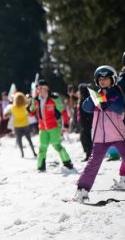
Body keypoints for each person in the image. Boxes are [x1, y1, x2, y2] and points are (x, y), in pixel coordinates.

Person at [74, 65, 125, 202]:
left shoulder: (116, 93)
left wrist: (107, 102)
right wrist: (95, 99)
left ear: (112, 80)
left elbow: (120, 108)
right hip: (100, 137)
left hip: (119, 135)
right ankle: (82, 190)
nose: (103, 81)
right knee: (93, 163)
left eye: (106, 79)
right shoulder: (96, 95)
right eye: (100, 79)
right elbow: (86, 107)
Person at [30, 79, 74, 172]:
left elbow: (63, 111)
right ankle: (41, 166)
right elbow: (32, 111)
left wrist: (65, 124)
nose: (41, 90)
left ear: (47, 88)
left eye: (42, 88)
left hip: (54, 125)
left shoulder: (54, 98)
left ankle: (67, 162)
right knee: (42, 146)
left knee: (56, 144)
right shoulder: (36, 99)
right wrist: (29, 106)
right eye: (39, 88)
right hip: (42, 127)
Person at [5, 92, 37, 158]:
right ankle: (34, 152)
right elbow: (29, 101)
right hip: (25, 125)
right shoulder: (24, 106)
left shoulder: (12, 108)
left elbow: (5, 115)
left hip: (17, 126)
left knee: (19, 141)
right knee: (29, 140)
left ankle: (22, 154)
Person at [77, 83, 93, 162]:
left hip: (86, 123)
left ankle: (89, 155)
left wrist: (88, 121)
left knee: (86, 139)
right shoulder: (82, 99)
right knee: (84, 139)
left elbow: (88, 113)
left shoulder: (86, 99)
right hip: (83, 123)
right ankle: (88, 154)